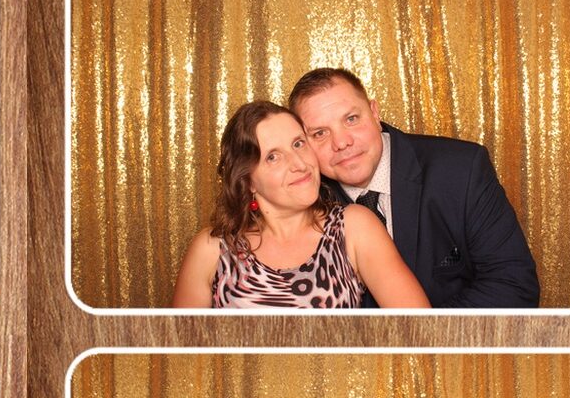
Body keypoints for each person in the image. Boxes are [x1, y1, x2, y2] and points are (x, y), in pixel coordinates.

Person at [288, 68, 540, 309]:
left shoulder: (461, 170)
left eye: (351, 119)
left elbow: (514, 285)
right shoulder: (301, 203)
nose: (342, 142)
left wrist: (417, 331)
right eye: (319, 133)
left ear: (374, 113)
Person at [172, 102, 429, 309]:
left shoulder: (353, 227)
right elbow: (180, 352)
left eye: (298, 144)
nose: (299, 163)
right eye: (273, 157)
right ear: (248, 181)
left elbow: (420, 331)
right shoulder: (211, 250)